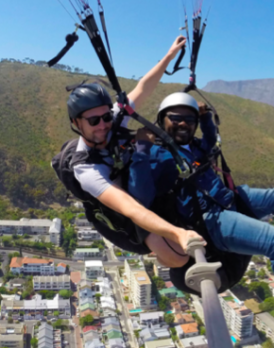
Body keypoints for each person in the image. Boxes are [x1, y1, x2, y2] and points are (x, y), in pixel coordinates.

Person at [128, 93, 274, 340]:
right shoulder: (156, 155)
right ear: (161, 120)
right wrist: (142, 148)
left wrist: (206, 118)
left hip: (227, 198)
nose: (183, 124)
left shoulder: (195, 144)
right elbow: (140, 195)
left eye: (189, 119)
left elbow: (211, 144)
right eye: (176, 118)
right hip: (210, 219)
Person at [67, 36, 206, 267]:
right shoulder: (86, 169)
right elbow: (131, 208)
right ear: (76, 122)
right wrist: (176, 233)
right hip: (121, 210)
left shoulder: (112, 122)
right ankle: (159, 252)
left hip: (137, 184)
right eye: (93, 121)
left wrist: (169, 56)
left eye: (106, 117)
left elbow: (143, 87)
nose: (103, 125)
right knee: (178, 259)